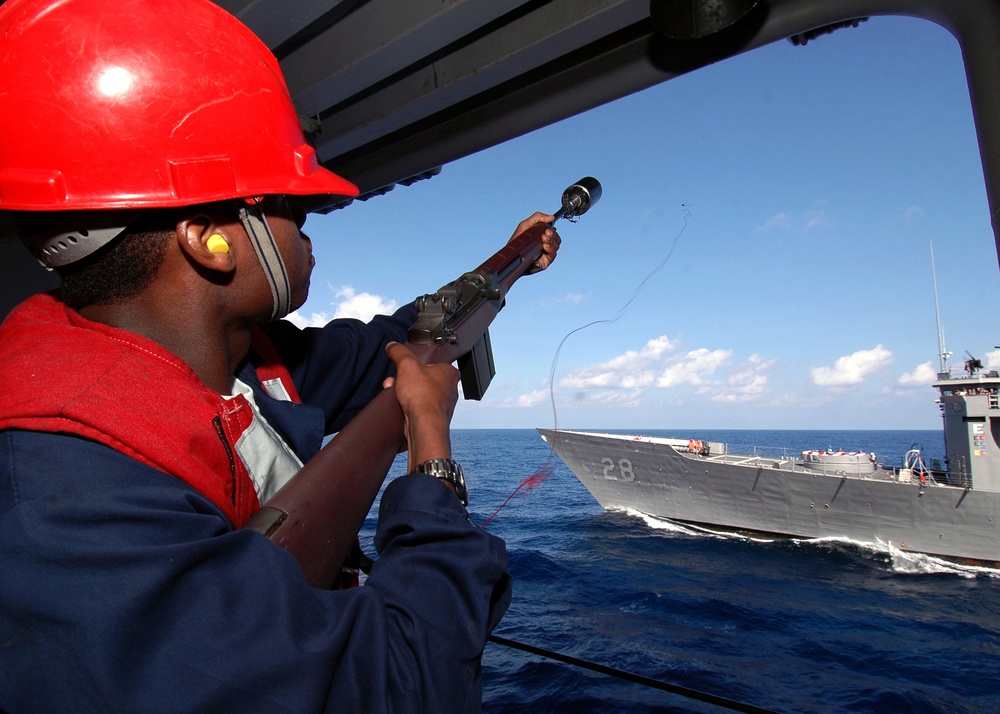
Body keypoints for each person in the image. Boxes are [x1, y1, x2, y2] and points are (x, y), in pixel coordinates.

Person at [0, 0, 561, 711]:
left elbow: (395, 336)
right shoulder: (64, 506)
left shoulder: (235, 358)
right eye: (292, 208)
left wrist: (504, 265)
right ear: (209, 239)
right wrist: (430, 451)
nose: (307, 229)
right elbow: (407, 680)